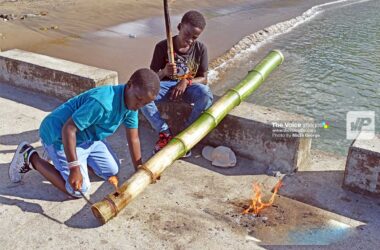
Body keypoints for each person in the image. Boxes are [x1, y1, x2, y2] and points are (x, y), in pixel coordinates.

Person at [8, 68, 160, 198]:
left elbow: (133, 138)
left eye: (144, 104)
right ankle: (31, 156)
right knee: (78, 190)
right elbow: (68, 129)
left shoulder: (131, 105)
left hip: (88, 139)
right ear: (129, 85)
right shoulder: (102, 103)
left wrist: (139, 167)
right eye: (138, 99)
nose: (139, 105)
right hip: (59, 136)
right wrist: (74, 168)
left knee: (112, 170)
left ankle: (69, 159)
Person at [140, 10, 213, 155]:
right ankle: (164, 132)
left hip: (188, 89)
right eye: (187, 34)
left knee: (206, 94)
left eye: (195, 37)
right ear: (179, 27)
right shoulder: (162, 47)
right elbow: (151, 79)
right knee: (142, 94)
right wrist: (164, 72)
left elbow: (204, 78)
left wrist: (186, 81)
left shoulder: (200, 49)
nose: (190, 40)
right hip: (166, 88)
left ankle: (186, 133)